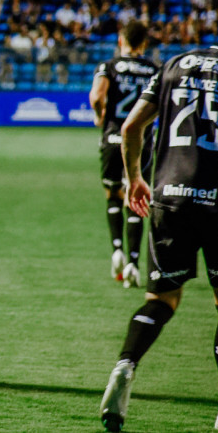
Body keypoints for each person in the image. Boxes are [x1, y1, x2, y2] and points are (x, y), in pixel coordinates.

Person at [99, 37, 218, 432]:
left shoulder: (177, 62)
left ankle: (126, 364)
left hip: (168, 198)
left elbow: (130, 126)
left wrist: (135, 178)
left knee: (161, 300)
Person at [89, 20, 158, 288]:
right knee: (136, 196)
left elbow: (97, 96)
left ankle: (116, 248)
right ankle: (133, 263)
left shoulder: (108, 66)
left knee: (113, 193)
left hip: (112, 137)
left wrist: (99, 116)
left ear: (121, 40)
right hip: (141, 141)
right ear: (144, 43)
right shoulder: (154, 69)